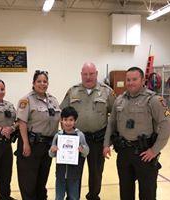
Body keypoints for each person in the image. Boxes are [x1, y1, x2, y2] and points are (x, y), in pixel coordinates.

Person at [103, 67, 170, 200]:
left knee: (147, 192)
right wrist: (106, 144)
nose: (130, 83)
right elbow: (111, 123)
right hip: (124, 153)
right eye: (128, 80)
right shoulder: (120, 100)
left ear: (143, 80)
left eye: (134, 79)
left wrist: (154, 150)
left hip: (145, 154)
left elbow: (166, 125)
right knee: (125, 191)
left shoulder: (154, 100)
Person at [60, 62, 115, 200]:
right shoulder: (73, 91)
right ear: (81, 75)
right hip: (76, 139)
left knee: (96, 173)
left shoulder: (107, 92)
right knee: (73, 172)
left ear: (96, 73)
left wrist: (109, 142)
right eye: (85, 74)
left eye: (91, 74)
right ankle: (73, 197)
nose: (88, 77)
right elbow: (62, 112)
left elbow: (115, 117)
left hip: (98, 139)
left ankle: (93, 196)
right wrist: (64, 135)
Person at [16, 70, 61, 200]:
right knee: (28, 181)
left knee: (42, 179)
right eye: (39, 81)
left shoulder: (53, 100)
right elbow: (22, 123)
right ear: (33, 83)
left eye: (45, 81)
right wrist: (25, 144)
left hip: (47, 146)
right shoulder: (26, 100)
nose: (42, 84)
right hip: (31, 144)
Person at [49, 106, 89, 200]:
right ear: (61, 120)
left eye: (71, 120)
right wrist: (52, 150)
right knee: (59, 197)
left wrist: (82, 149)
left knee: (74, 197)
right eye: (65, 119)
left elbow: (86, 151)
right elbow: (51, 154)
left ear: (75, 121)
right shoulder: (58, 135)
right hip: (60, 174)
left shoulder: (79, 135)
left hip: (74, 175)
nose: (68, 122)